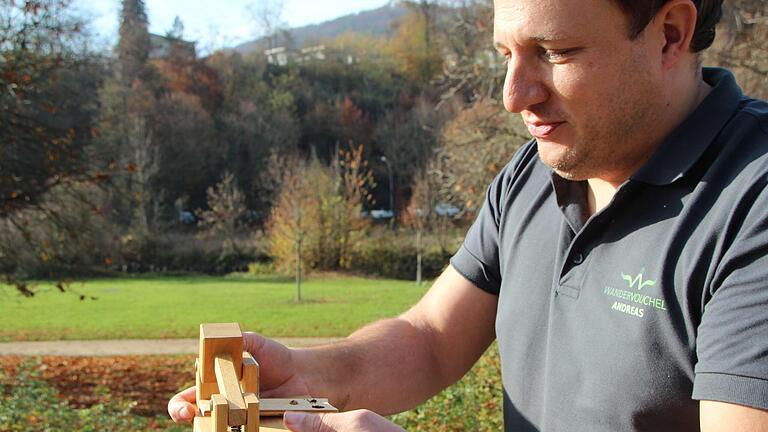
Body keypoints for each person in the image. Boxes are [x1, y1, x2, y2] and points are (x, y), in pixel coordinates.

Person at [170, 0, 768, 429]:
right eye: (505, 54)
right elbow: (429, 339)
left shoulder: (753, 199)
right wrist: (302, 379)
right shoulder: (535, 172)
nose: (514, 96)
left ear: (670, 32)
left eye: (554, 52)